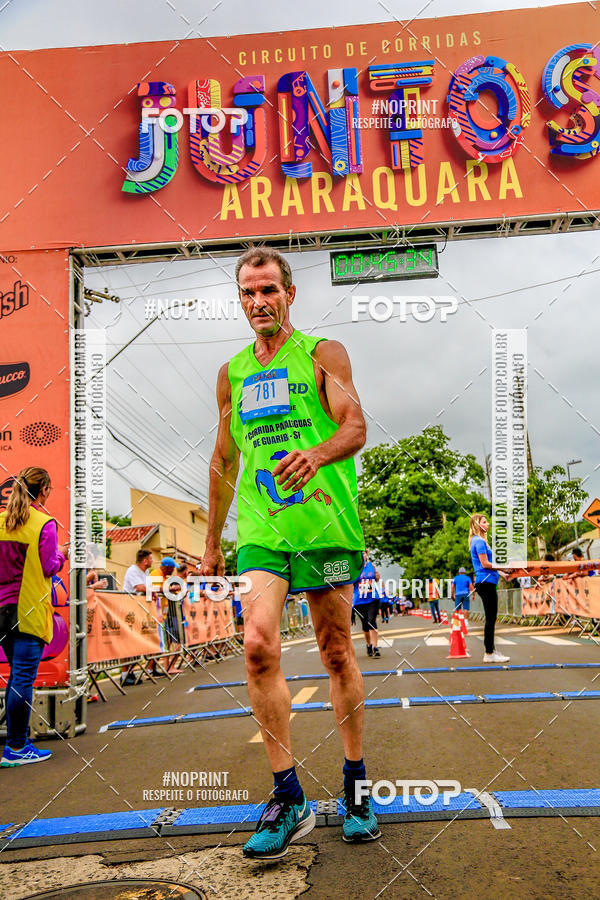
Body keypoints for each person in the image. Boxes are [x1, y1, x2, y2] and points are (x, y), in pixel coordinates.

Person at [201, 246, 380, 860]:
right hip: (260, 529)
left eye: (268, 291)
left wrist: (318, 455)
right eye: (248, 293)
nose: (258, 303)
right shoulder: (230, 373)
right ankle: (287, 795)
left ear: (289, 294)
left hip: (324, 524)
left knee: (335, 652)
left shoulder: (322, 354)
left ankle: (356, 786)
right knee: (257, 645)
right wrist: (211, 545)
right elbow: (224, 461)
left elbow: (355, 428)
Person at [0, 467, 67, 766]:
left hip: (1, 611)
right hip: (26, 611)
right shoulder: (44, 523)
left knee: (15, 677)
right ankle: (16, 746)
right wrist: (63, 554)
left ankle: (17, 743)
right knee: (22, 679)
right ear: (44, 491)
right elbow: (49, 566)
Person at [469, 513, 512, 663]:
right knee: (491, 618)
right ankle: (488, 653)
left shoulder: (480, 542)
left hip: (487, 581)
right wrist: (504, 568)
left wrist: (503, 574)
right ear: (477, 524)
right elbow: (486, 564)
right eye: (484, 522)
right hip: (485, 582)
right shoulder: (479, 542)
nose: (488, 524)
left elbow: (491, 564)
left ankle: (491, 650)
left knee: (491, 618)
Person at [353, 550, 382, 657]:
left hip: (373, 598)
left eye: (364, 553)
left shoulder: (371, 565)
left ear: (367, 555)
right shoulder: (354, 568)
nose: (362, 554)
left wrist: (376, 573)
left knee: (371, 621)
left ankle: (375, 647)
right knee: (365, 625)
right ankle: (368, 644)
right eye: (360, 553)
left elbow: (377, 578)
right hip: (359, 601)